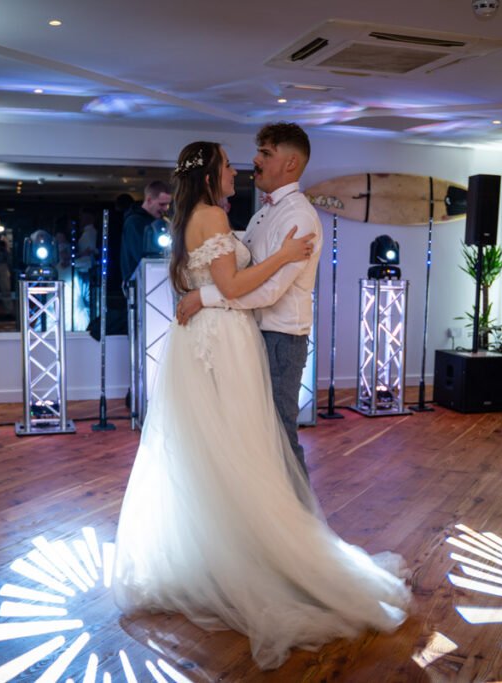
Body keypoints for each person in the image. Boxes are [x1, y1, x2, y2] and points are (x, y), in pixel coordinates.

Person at [113, 141, 411, 671]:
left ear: (291, 162)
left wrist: (225, 283)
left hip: (226, 334)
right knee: (245, 447)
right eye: (229, 163)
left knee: (233, 446)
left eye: (256, 157)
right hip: (224, 339)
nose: (241, 168)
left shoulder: (241, 215)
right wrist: (277, 257)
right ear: (210, 175)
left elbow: (231, 281)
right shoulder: (216, 216)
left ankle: (249, 547)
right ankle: (272, 553)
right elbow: (236, 281)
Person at [175, 122, 321, 481]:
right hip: (250, 335)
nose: (252, 161)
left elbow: (269, 291)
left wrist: (203, 296)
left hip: (280, 339)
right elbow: (235, 268)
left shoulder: (298, 217)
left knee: (279, 434)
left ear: (290, 164)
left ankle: (300, 524)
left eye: (265, 154)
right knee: (254, 437)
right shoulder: (260, 213)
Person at [120, 180, 172, 285]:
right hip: (140, 282)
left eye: (167, 205)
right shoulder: (134, 222)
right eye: (162, 204)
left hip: (153, 279)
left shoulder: (158, 221)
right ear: (149, 200)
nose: (165, 208)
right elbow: (141, 255)